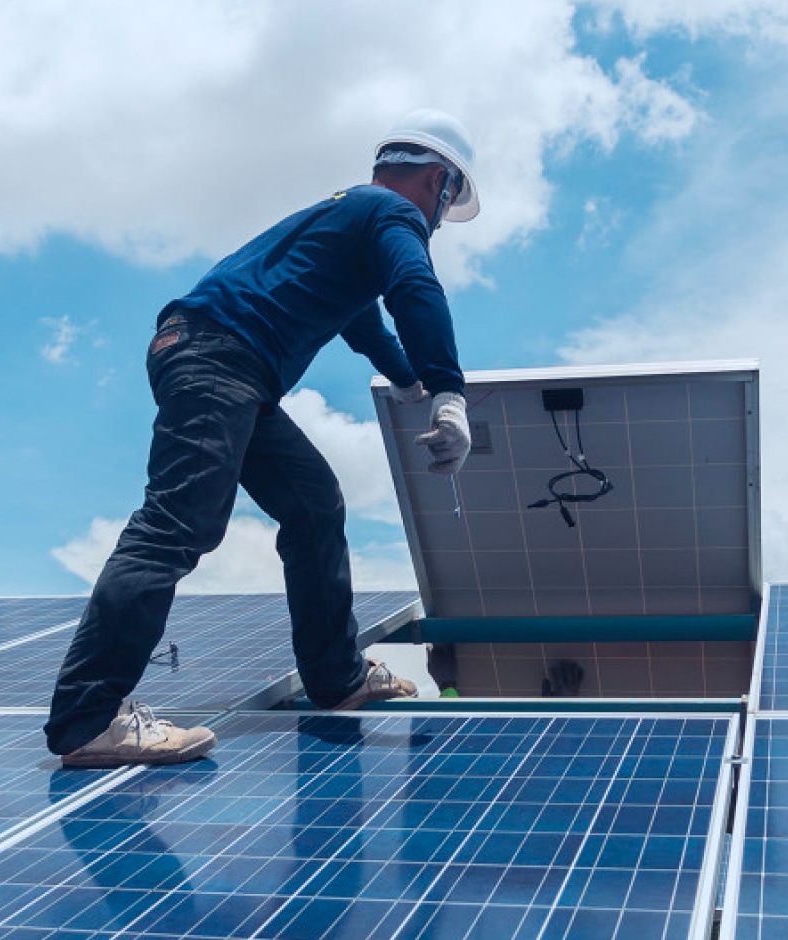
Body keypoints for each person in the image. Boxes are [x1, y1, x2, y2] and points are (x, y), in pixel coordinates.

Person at [44, 110, 479, 768]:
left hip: (220, 361)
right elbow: (413, 287)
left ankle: (337, 679)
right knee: (177, 524)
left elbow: (363, 324)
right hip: (222, 359)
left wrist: (411, 381)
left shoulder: (347, 217)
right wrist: (449, 393)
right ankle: (87, 717)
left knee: (314, 503)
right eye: (447, 201)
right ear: (437, 181)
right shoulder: (392, 215)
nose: (439, 220)